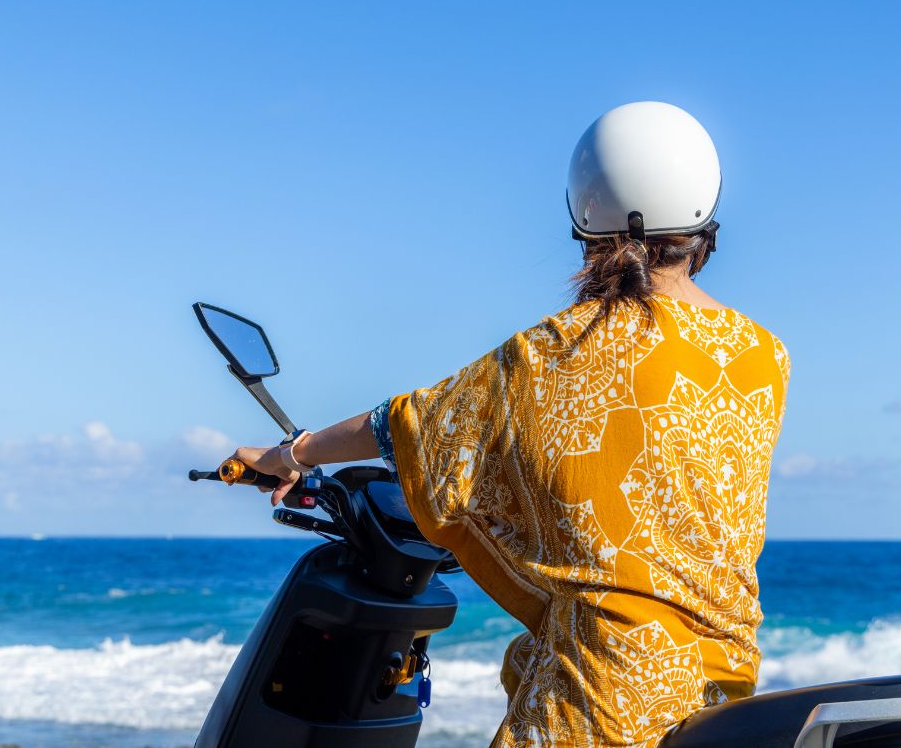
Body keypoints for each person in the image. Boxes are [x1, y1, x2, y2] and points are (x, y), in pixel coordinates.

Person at [227, 101, 790, 748]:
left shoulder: (557, 352)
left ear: (585, 213)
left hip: (600, 703)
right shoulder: (765, 358)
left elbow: (410, 424)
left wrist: (293, 452)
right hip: (722, 696)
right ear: (704, 212)